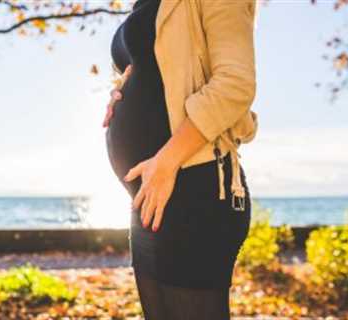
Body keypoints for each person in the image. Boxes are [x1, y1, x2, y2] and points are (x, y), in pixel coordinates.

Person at [103, 0, 258, 319]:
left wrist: (166, 161)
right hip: (148, 196)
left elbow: (235, 83)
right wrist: (120, 91)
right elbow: (159, 72)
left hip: (194, 187)